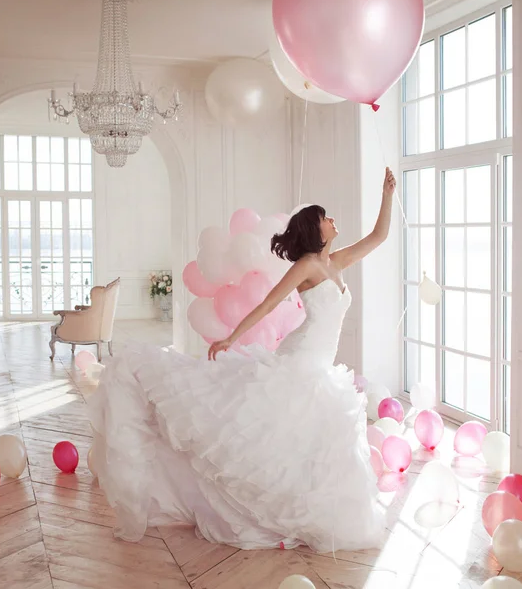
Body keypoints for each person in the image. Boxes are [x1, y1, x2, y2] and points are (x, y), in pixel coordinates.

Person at [88, 167, 396, 554]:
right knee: (269, 438)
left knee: (309, 446)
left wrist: (387, 195)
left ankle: (300, 513)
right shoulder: (307, 267)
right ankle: (258, 508)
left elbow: (380, 236)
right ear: (315, 230)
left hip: (319, 367)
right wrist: (231, 337)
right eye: (326, 217)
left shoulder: (337, 263)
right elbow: (268, 303)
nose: (333, 220)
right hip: (299, 363)